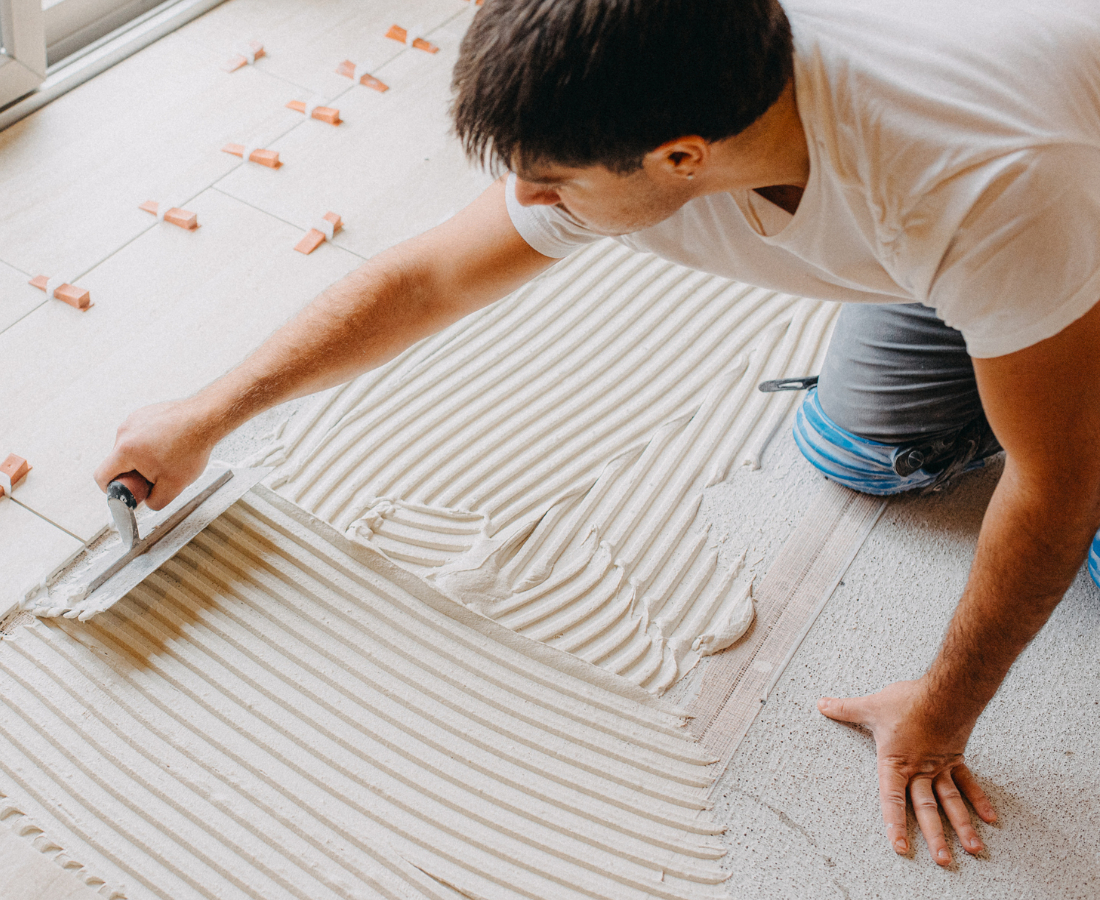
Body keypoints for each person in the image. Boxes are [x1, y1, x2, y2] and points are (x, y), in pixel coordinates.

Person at [96, 0, 1100, 867]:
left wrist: (938, 715)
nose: (527, 201)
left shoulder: (983, 186)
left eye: (551, 180)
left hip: (1052, 201)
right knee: (861, 452)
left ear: (681, 157)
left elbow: (1052, 486)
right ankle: (1003, 322)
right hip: (980, 222)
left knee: (1069, 491)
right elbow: (430, 278)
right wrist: (210, 412)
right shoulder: (671, 83)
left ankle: (1035, 329)